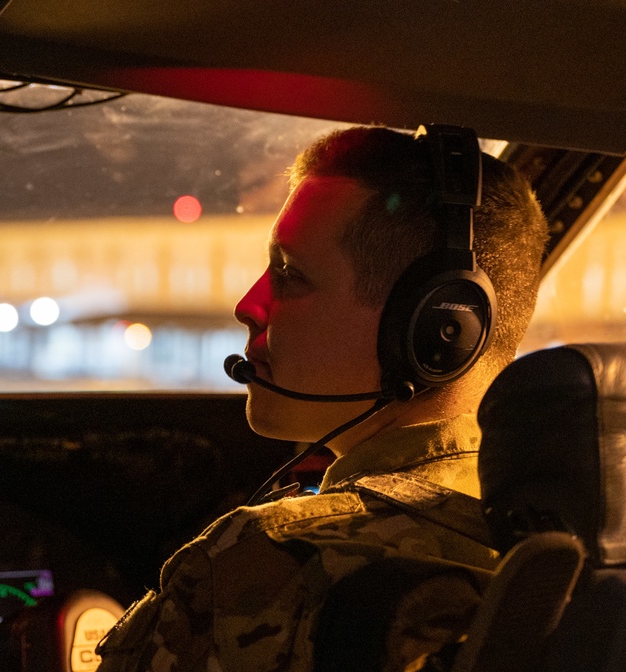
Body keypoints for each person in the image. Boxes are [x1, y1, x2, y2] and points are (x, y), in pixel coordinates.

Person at [95, 126, 549, 672]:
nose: (248, 305)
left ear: (434, 329)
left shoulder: (273, 561)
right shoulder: (560, 532)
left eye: (289, 274)